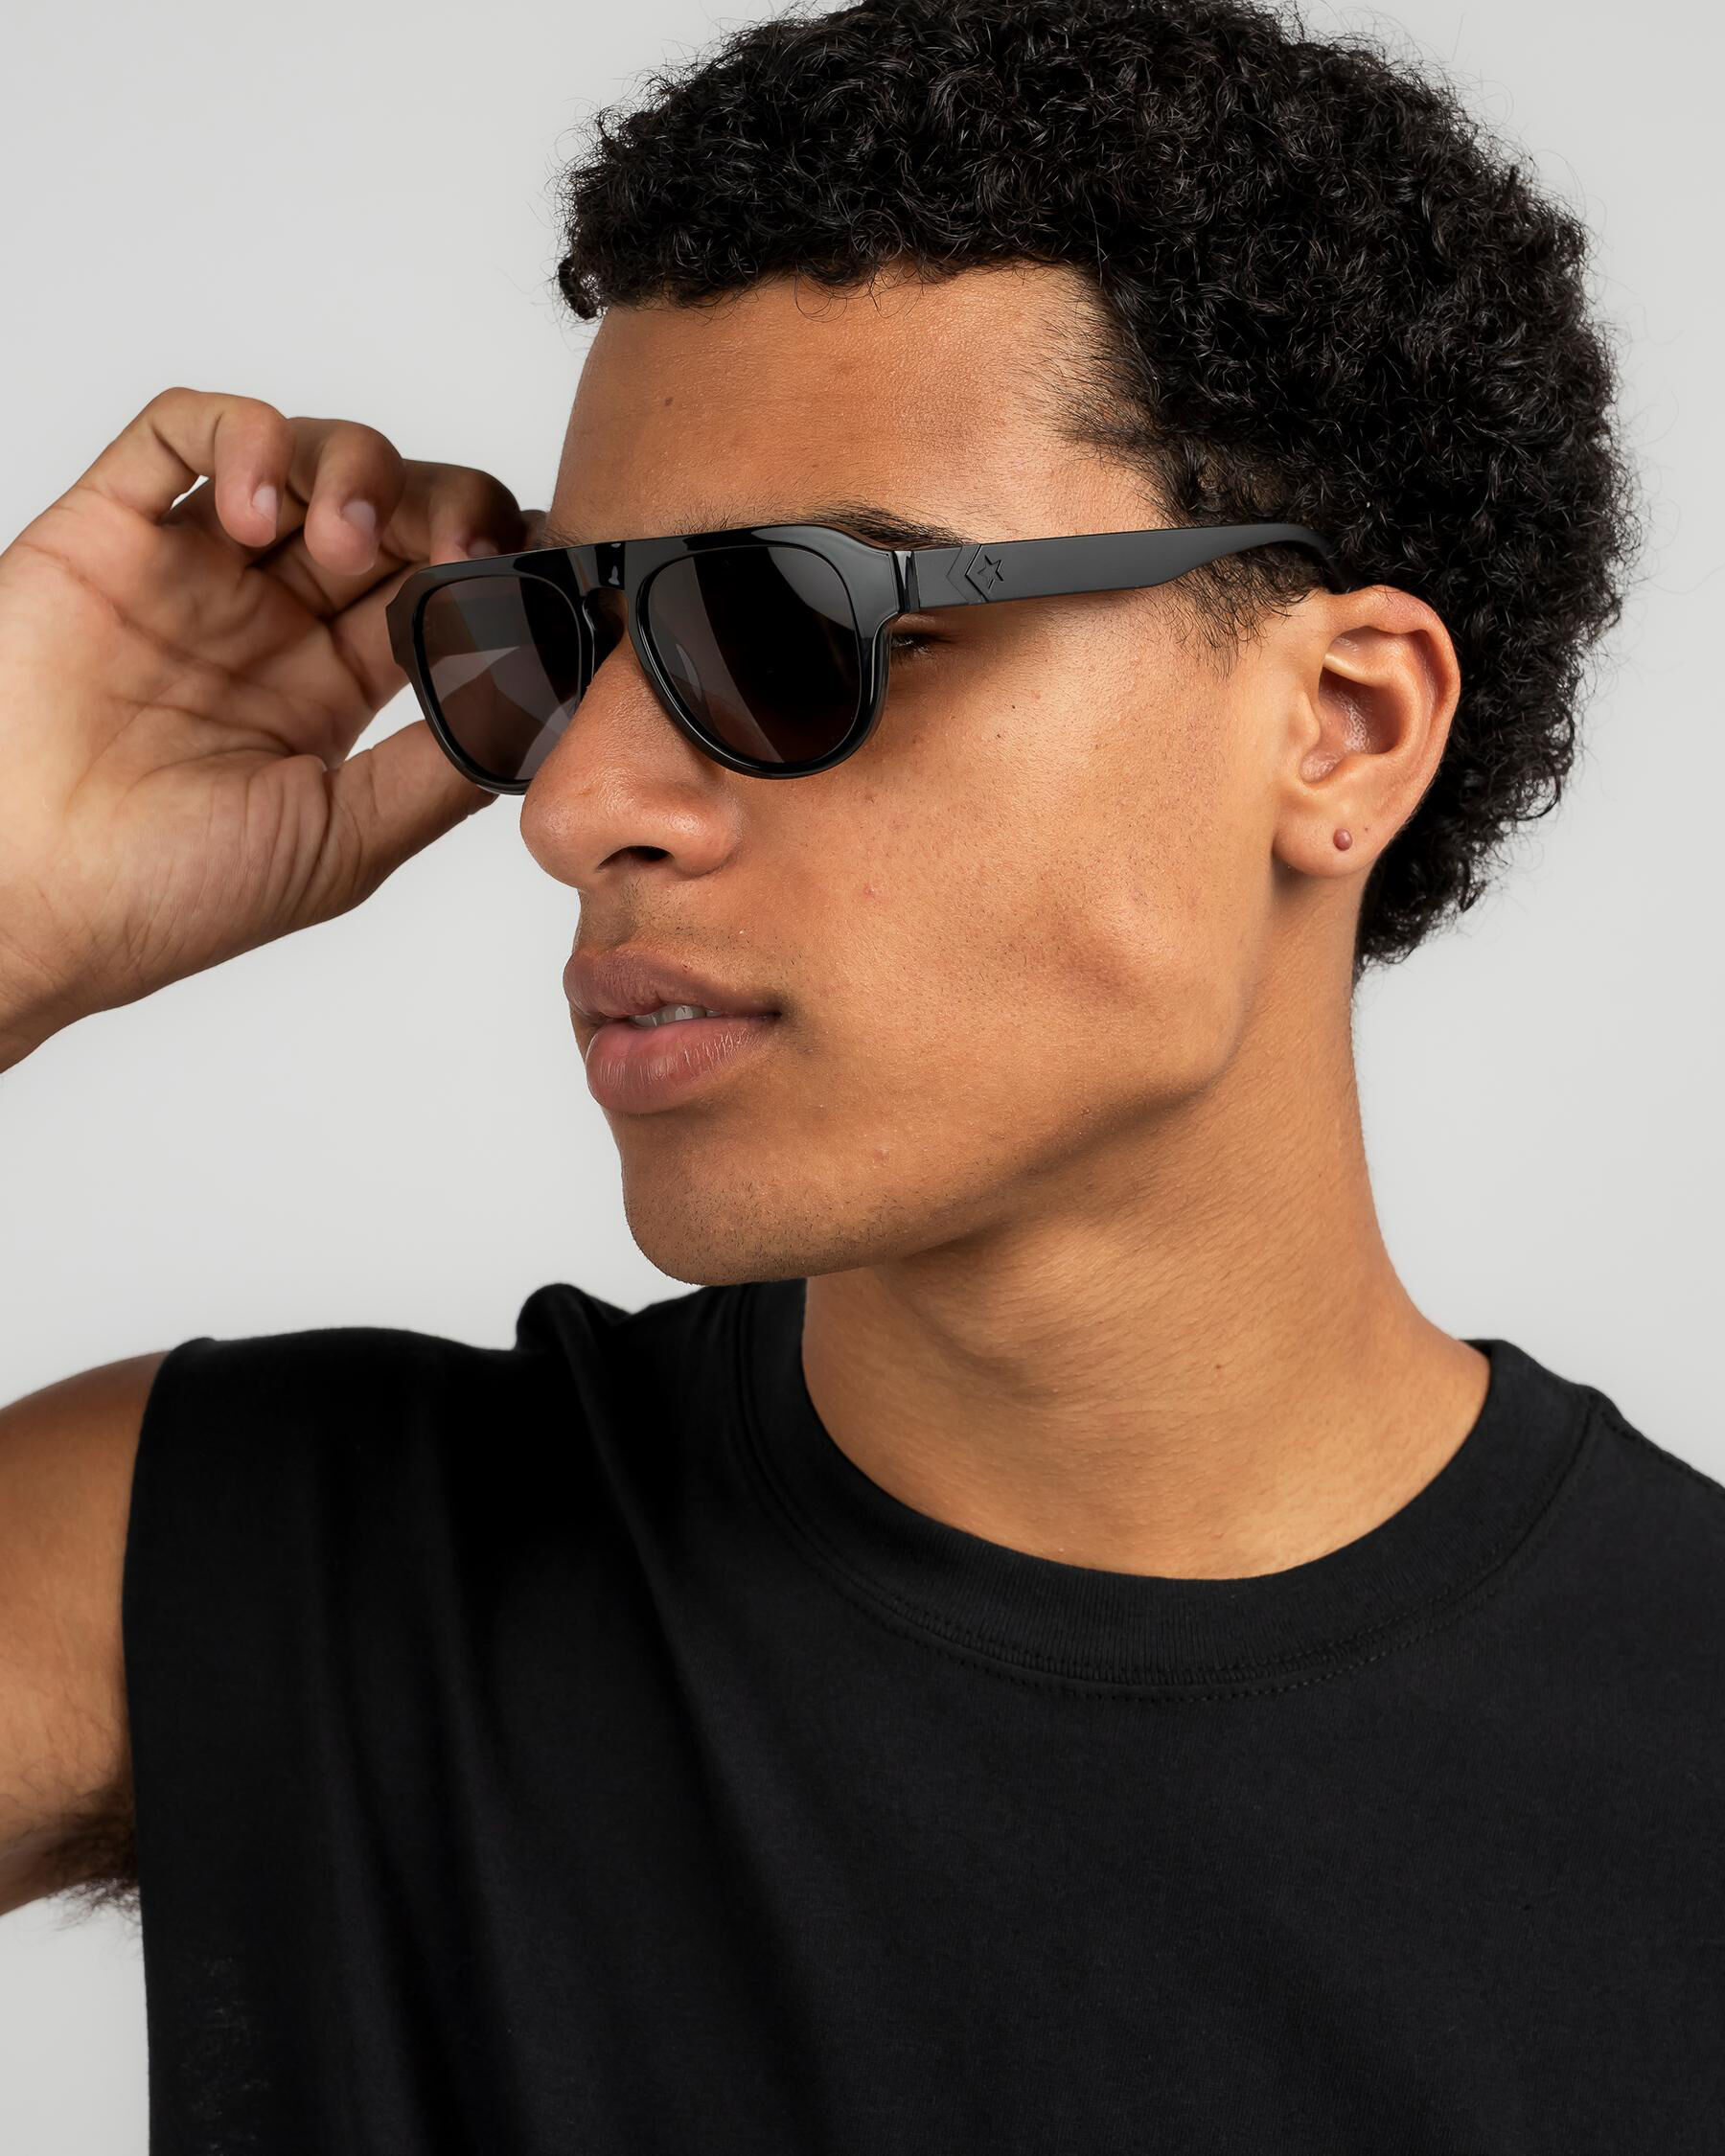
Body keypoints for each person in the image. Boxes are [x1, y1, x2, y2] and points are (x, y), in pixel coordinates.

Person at [1, 0, 1717, 2147]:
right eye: (558, 642)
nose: (575, 806)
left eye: (793, 631)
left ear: (1343, 727)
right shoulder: (287, 1569)